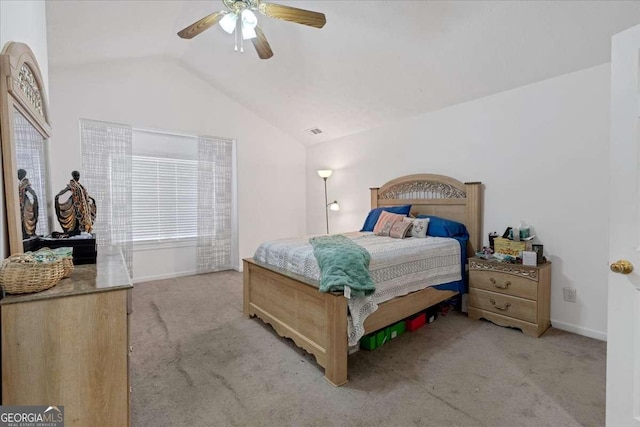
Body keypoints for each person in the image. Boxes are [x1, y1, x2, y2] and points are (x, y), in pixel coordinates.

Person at [55, 170, 96, 235]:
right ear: (73, 176)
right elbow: (59, 195)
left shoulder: (81, 187)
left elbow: (85, 196)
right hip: (76, 211)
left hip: (82, 210)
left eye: (78, 175)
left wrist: (90, 199)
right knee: (76, 225)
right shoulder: (71, 187)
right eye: (76, 175)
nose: (77, 177)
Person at [18, 168, 39, 239]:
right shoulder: (20, 183)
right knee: (21, 219)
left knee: (26, 218)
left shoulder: (25, 182)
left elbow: (31, 190)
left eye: (18, 174)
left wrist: (34, 196)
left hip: (25, 203)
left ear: (22, 174)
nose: (17, 175)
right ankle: (24, 233)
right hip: (20, 203)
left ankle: (28, 233)